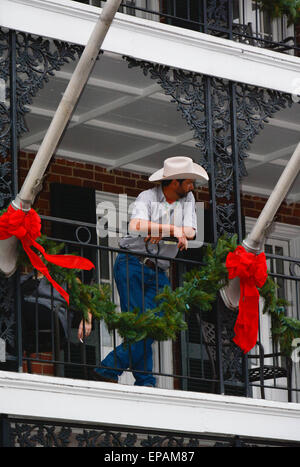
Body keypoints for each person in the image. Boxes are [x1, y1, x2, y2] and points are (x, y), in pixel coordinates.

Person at [93, 156, 209, 387]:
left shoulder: (188, 199)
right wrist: (172, 229)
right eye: (188, 182)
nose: (192, 186)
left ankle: (109, 367)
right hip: (132, 264)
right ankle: (144, 381)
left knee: (161, 319)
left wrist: (164, 230)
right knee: (140, 324)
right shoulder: (147, 197)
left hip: (159, 270)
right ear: (174, 182)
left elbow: (192, 231)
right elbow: (136, 226)